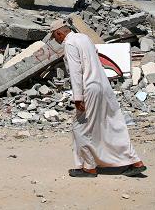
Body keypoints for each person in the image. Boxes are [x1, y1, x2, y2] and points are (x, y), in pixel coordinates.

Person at [50, 18, 146, 178]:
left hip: (89, 88)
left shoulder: (69, 43)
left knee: (80, 128)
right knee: (112, 124)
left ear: (59, 33)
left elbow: (75, 71)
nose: (56, 40)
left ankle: (89, 167)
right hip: (103, 86)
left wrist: (78, 97)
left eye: (55, 36)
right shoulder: (84, 37)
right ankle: (135, 161)